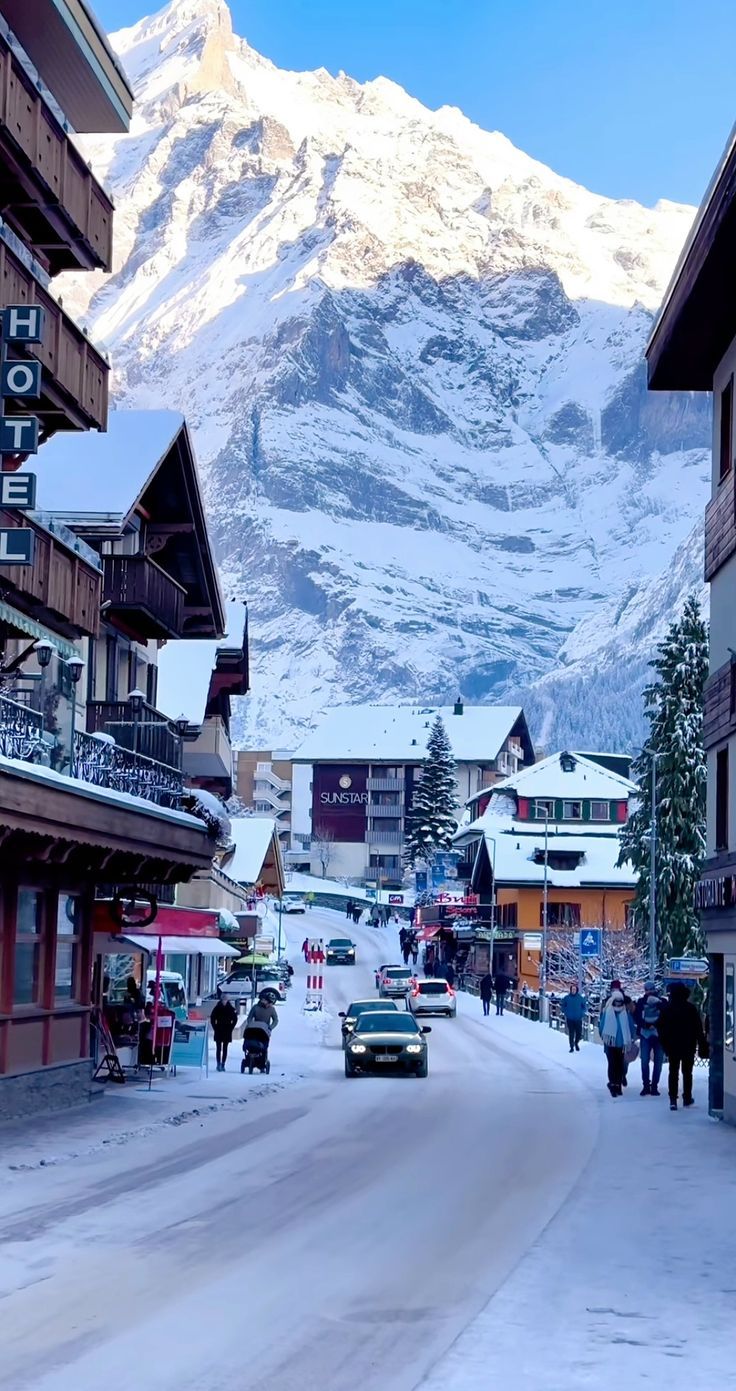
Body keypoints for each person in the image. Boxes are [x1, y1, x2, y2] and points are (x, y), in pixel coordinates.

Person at [659, 983, 706, 1111]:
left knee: (673, 1072)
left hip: (672, 1046)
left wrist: (665, 1045)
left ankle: (673, 1099)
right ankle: (687, 1098)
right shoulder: (691, 1009)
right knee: (687, 1073)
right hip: (688, 1045)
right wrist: (701, 1043)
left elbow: (661, 1029)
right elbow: (698, 1028)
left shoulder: (667, 1009)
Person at [598, 987, 636, 1097]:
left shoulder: (625, 1013)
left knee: (619, 1065)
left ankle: (617, 1086)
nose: (618, 1003)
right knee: (613, 1065)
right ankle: (613, 1085)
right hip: (611, 1044)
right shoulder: (608, 1011)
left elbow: (630, 1026)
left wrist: (631, 1038)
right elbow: (602, 1027)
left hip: (621, 1044)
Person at [634, 979, 666, 1096]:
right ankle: (646, 1085)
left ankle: (654, 1086)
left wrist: (655, 1024)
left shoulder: (662, 1002)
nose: (649, 992)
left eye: (651, 989)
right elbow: (637, 1017)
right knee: (645, 1061)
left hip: (658, 1035)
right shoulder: (641, 1002)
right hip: (645, 1034)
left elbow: (666, 1014)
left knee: (658, 1061)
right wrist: (646, 1025)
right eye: (647, 990)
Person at [210, 992, 238, 1072]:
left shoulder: (230, 1008)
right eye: (223, 1000)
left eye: (226, 1000)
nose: (224, 1001)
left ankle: (223, 1064)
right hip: (218, 1029)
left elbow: (235, 1019)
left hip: (227, 1030)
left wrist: (231, 1027)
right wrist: (215, 1027)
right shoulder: (217, 1007)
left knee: (225, 1048)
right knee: (218, 1048)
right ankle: (218, 1063)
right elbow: (212, 1018)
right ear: (221, 1000)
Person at [560, 983, 586, 1052]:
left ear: (576, 990)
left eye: (574, 989)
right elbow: (562, 1006)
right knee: (571, 1033)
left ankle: (576, 1043)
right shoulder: (567, 998)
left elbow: (585, 1007)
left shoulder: (580, 998)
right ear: (570, 990)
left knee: (579, 1033)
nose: (573, 990)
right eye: (572, 989)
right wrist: (565, 1012)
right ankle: (571, 1047)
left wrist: (582, 1013)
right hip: (570, 1019)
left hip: (578, 1019)